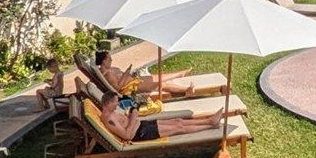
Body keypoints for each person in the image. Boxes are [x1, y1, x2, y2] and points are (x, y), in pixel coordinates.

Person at [96, 93, 225, 143]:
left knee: (177, 121)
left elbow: (126, 123)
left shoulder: (112, 113)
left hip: (141, 125)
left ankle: (209, 120)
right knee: (179, 128)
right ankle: (211, 124)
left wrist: (131, 114)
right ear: (108, 103)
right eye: (115, 102)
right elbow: (127, 135)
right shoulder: (109, 119)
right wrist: (133, 116)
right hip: (141, 134)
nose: (118, 104)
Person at [93, 51, 214, 100]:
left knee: (156, 77)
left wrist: (126, 73)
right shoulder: (107, 74)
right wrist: (125, 73)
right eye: (109, 59)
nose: (111, 60)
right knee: (160, 84)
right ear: (103, 61)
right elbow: (118, 88)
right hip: (131, 87)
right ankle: (187, 90)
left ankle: (180, 74)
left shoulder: (107, 69)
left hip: (133, 80)